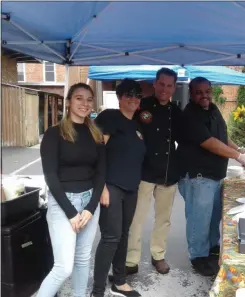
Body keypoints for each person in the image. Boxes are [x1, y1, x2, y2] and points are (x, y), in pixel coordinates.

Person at [177, 77, 245, 276]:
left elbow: (221, 137)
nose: (204, 95)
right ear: (192, 94)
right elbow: (209, 142)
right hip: (198, 177)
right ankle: (198, 256)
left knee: (212, 218)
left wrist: (239, 150)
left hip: (215, 176)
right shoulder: (190, 115)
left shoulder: (212, 109)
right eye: (199, 92)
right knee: (198, 219)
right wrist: (237, 156)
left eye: (207, 91)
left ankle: (211, 248)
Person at [37, 83, 105, 297]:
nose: (84, 103)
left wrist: (90, 209)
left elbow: (101, 174)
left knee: (83, 259)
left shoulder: (95, 134)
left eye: (88, 99)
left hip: (88, 204)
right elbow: (51, 176)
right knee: (64, 267)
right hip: (62, 203)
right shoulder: (53, 134)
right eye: (79, 98)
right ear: (68, 102)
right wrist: (71, 213)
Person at [91, 79, 145, 297]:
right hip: (111, 186)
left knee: (123, 235)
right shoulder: (110, 117)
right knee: (111, 237)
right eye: (128, 94)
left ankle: (119, 282)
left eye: (137, 94)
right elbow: (97, 152)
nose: (133, 98)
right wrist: (101, 186)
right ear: (119, 96)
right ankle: (97, 291)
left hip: (132, 188)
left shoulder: (138, 124)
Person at [126, 68, 183, 275]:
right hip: (144, 172)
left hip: (168, 173)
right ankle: (131, 259)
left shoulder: (176, 112)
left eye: (169, 85)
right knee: (137, 218)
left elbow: (184, 141)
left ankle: (158, 255)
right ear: (155, 84)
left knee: (163, 219)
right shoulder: (142, 106)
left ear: (174, 88)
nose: (165, 89)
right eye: (162, 84)